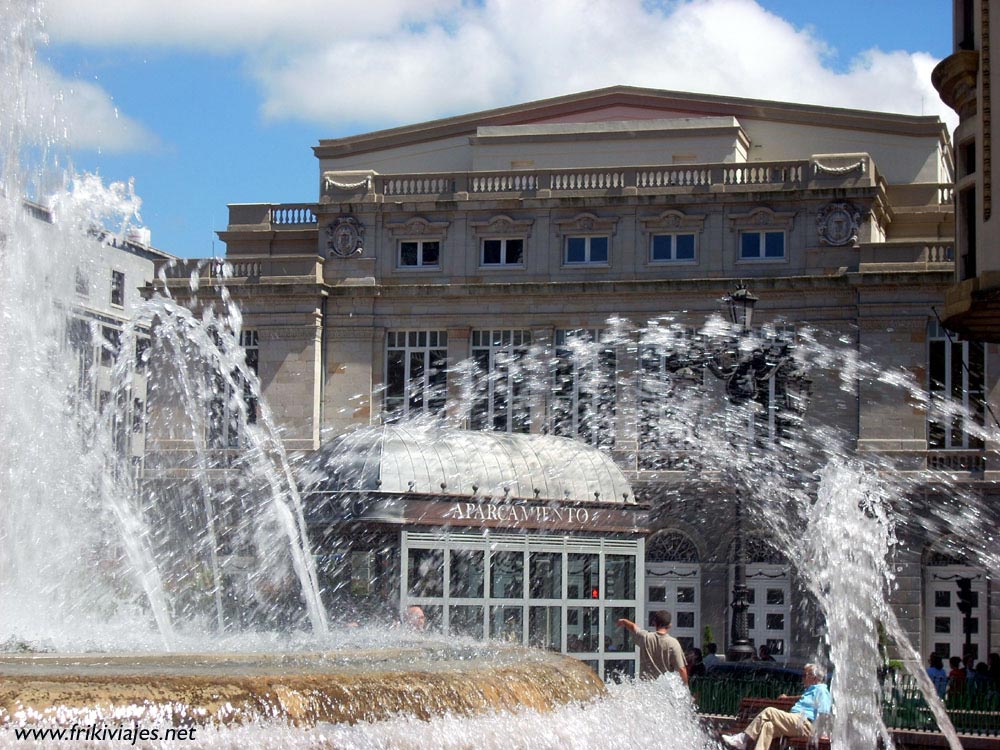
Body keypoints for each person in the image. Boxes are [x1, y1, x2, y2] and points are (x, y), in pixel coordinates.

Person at [722, 663, 832, 750]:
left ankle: (743, 739)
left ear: (814, 678)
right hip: (796, 723)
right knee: (768, 726)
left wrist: (820, 732)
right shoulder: (811, 690)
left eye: (804, 675)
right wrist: (787, 698)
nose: (802, 679)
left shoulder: (822, 690)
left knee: (769, 711)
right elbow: (802, 698)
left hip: (805, 724)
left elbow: (824, 713)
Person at [617, 611, 688, 684]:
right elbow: (682, 669)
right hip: (665, 688)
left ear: (654, 623)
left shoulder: (645, 637)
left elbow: (633, 627)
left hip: (646, 687)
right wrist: (686, 687)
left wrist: (624, 621)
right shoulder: (673, 643)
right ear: (670, 625)